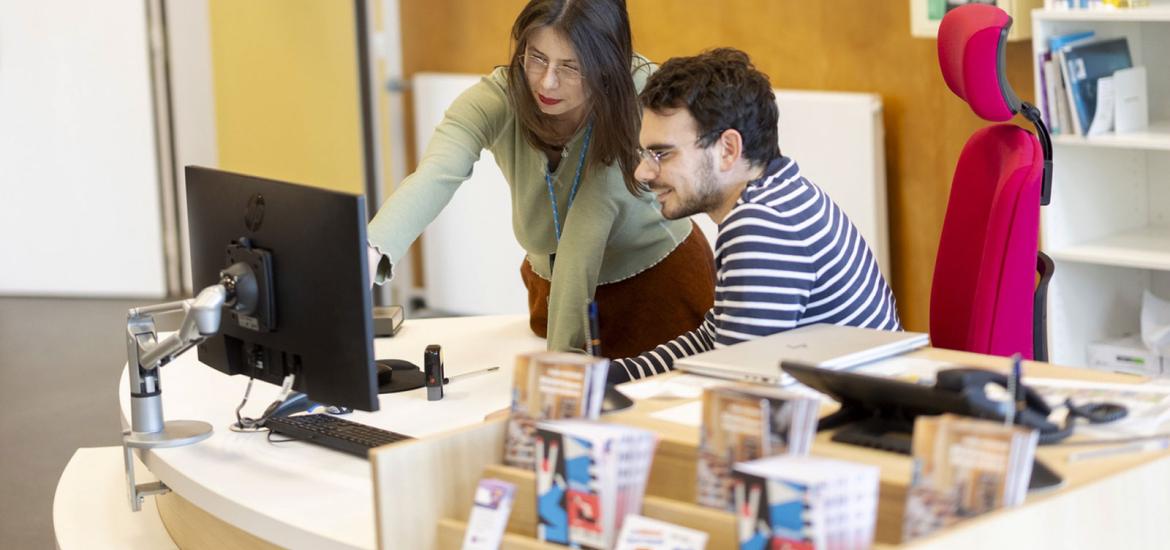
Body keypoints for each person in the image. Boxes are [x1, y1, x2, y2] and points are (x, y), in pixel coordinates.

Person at [366, 0, 715, 358]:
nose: (547, 81)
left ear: (607, 65)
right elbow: (435, 174)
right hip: (552, 291)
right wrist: (370, 252)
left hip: (654, 285)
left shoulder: (642, 96)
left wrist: (555, 369)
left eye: (571, 66)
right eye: (536, 57)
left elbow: (587, 229)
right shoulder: (499, 96)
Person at [610, 48, 902, 383]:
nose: (643, 172)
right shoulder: (781, 195)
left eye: (661, 153)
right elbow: (712, 341)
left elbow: (737, 386)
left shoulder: (762, 224)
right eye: (644, 153)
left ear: (728, 150)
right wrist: (614, 375)